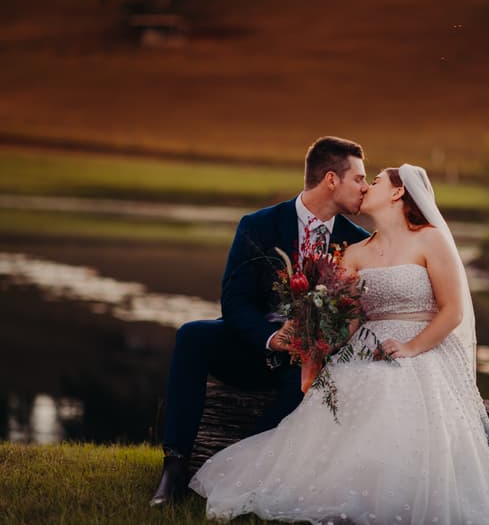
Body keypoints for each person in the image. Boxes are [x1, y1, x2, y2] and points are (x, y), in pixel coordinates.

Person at [189, 164, 489, 524]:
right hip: (366, 346)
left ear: (397, 193)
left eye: (374, 181)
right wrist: (315, 349)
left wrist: (412, 347)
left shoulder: (430, 239)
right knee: (346, 392)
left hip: (425, 347)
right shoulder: (354, 253)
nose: (365, 188)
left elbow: (453, 310)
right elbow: (345, 320)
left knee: (393, 386)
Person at [149, 136, 371, 506]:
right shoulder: (259, 225)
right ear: (331, 179)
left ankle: (238, 473)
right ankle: (174, 467)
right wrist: (271, 337)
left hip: (312, 365)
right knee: (192, 336)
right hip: (256, 348)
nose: (365, 188)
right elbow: (233, 301)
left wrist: (318, 346)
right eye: (359, 179)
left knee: (304, 386)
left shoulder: (358, 242)